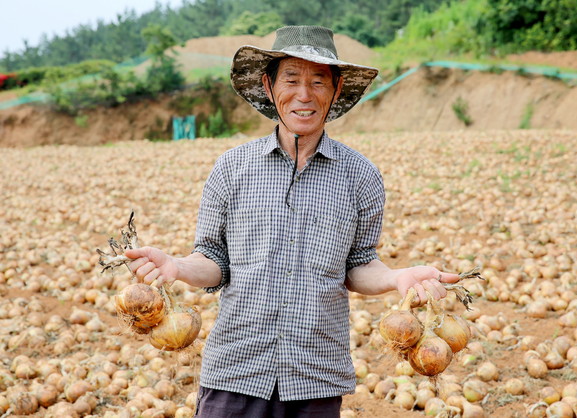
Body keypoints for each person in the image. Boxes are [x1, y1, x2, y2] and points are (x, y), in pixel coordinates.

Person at [126, 25, 460, 418]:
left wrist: (396, 278)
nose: (304, 94)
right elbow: (214, 260)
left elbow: (357, 266)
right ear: (269, 87)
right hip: (236, 370)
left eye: (319, 81)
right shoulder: (232, 168)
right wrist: (177, 266)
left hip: (315, 377)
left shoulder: (361, 176)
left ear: (335, 91)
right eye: (292, 79)